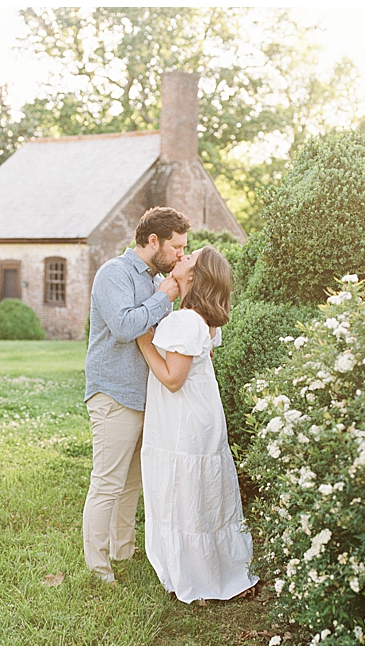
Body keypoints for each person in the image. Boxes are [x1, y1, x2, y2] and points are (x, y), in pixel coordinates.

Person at [136, 245, 257, 603]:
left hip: (183, 419)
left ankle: (195, 578)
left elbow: (173, 379)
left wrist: (144, 341)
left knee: (184, 491)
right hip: (201, 414)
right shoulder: (198, 318)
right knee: (201, 491)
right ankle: (211, 566)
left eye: (189, 258)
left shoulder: (184, 321)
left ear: (194, 276)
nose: (181, 257)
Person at [82, 206, 189, 583]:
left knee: (131, 483)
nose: (180, 255)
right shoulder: (115, 273)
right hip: (114, 393)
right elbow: (125, 327)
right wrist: (163, 297)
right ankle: (97, 569)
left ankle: (122, 551)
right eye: (176, 247)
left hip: (146, 396)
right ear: (153, 240)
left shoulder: (157, 281)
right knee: (107, 482)